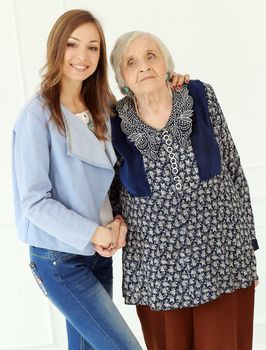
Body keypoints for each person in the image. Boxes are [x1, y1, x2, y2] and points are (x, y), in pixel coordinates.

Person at [12, 9, 189, 350]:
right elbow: (33, 201)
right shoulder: (36, 115)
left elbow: (117, 178)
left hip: (99, 252)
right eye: (73, 45)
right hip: (59, 259)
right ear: (56, 48)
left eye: (93, 48)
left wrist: (172, 82)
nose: (82, 56)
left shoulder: (104, 106)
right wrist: (94, 231)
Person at [110, 31, 259, 350]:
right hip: (158, 274)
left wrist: (248, 247)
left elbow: (232, 167)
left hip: (222, 262)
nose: (143, 66)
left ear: (166, 63)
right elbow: (109, 194)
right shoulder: (111, 122)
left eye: (151, 55)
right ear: (122, 77)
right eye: (131, 62)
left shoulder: (200, 96)